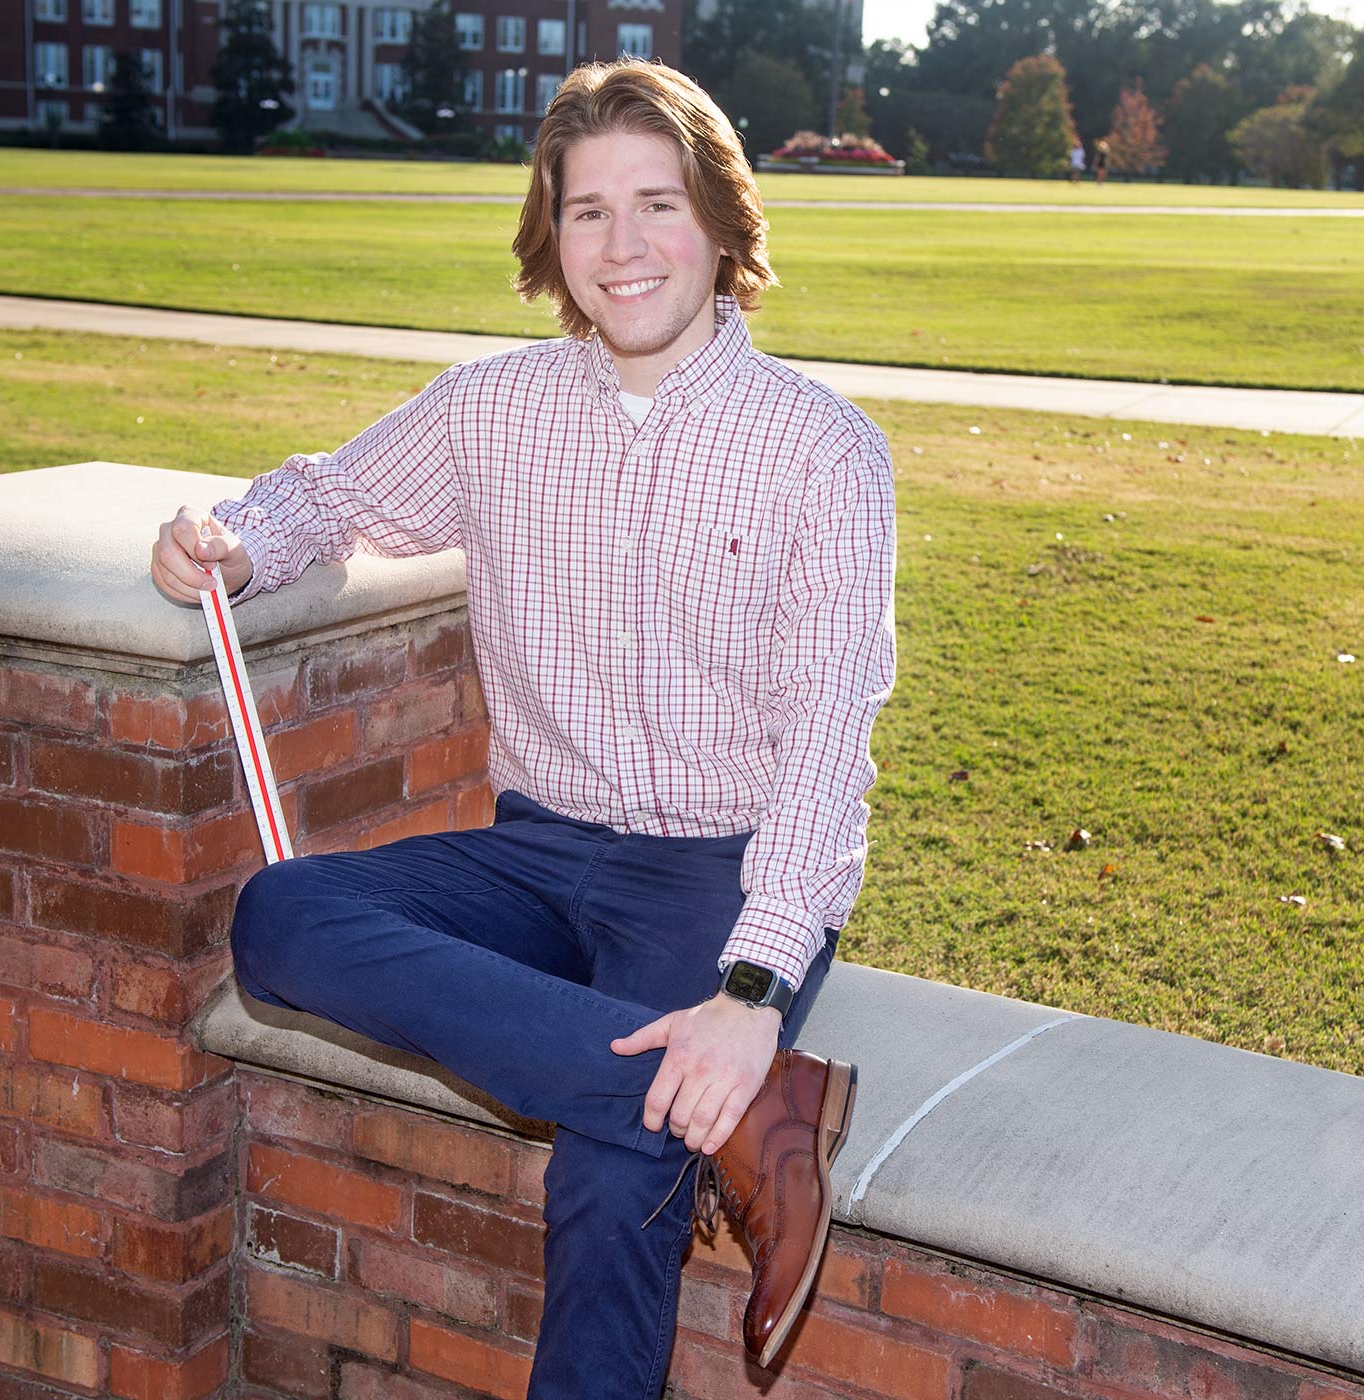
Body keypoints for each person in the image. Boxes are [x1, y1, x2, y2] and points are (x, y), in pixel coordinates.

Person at [150, 58, 892, 1398]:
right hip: (537, 855)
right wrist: (232, 540)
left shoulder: (821, 453)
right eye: (588, 210)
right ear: (551, 238)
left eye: (657, 204)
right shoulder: (491, 411)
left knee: (610, 1193)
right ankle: (740, 1118)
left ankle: (681, 1102)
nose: (624, 247)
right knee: (283, 924)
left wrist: (745, 996)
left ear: (723, 224)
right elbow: (330, 501)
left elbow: (831, 745)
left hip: (715, 872)